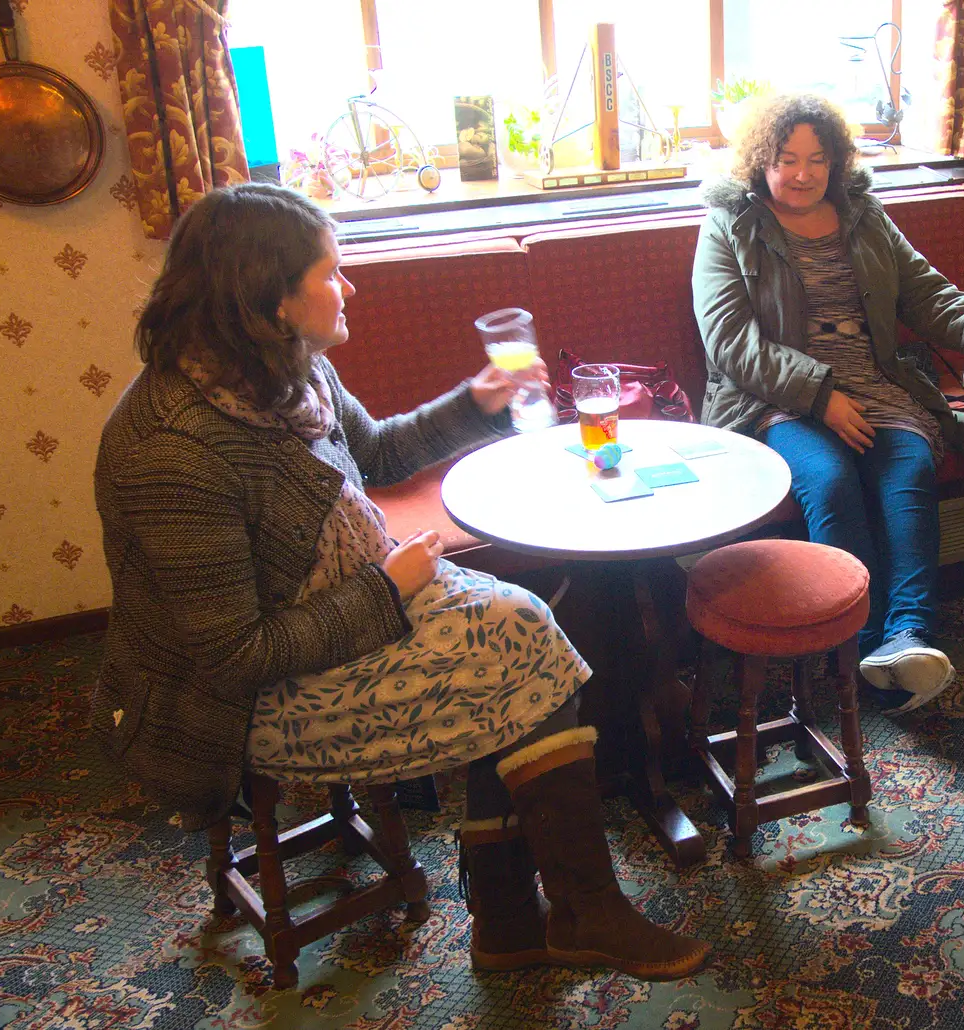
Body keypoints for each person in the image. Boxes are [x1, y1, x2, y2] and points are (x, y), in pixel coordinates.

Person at [91, 182, 708, 981]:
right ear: (271, 299)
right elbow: (233, 657)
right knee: (523, 650)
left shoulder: (287, 370)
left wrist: (478, 400)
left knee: (522, 632)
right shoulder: (174, 448)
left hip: (347, 607)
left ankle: (522, 920)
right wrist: (387, 588)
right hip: (248, 701)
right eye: (332, 273)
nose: (350, 287)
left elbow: (376, 453)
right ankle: (560, 914)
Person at [691, 93, 964, 714]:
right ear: (762, 161)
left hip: (875, 381)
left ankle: (909, 634)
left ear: (837, 162)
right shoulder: (729, 226)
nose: (803, 173)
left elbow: (926, 292)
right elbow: (731, 344)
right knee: (831, 480)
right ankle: (861, 646)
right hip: (775, 397)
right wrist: (821, 397)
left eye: (817, 159)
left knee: (909, 469)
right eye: (787, 159)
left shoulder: (863, 214)